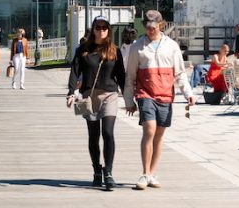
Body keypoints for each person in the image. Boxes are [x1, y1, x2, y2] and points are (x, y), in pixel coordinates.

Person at [124, 10, 195, 190]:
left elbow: (179, 73)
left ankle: (152, 172)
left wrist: (188, 93)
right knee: (149, 129)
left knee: (159, 135)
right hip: (145, 93)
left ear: (161, 25)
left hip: (165, 94)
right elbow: (130, 76)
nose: (150, 30)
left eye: (153, 27)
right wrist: (129, 101)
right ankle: (145, 172)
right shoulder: (137, 47)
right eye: (147, 27)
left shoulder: (171, 46)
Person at [66, 16, 126, 190]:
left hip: (109, 94)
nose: (101, 30)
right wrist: (71, 93)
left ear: (109, 30)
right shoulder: (83, 50)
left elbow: (121, 76)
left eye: (104, 27)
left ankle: (108, 172)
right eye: (98, 27)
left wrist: (130, 99)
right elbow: (74, 72)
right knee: (93, 136)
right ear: (93, 29)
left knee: (108, 133)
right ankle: (96, 170)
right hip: (88, 96)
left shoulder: (114, 50)